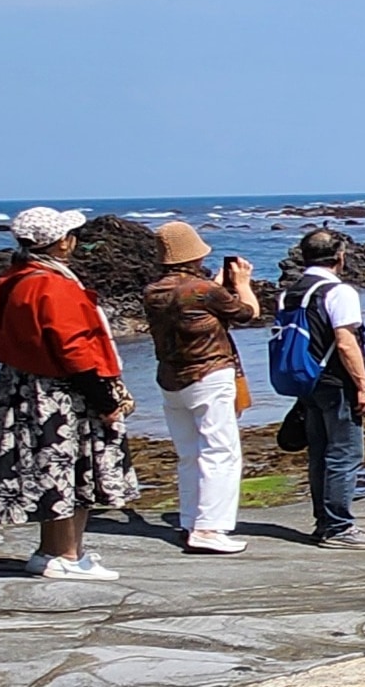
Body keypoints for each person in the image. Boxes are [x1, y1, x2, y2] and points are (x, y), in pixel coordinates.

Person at [0, 207, 141, 578]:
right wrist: (104, 398)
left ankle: (51, 551)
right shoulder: (53, 285)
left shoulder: (13, 280)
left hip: (23, 386)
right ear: (62, 243)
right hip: (60, 391)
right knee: (75, 469)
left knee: (47, 471)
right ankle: (67, 554)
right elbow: (73, 347)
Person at [142, 222, 259, 555]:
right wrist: (243, 284)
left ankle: (191, 520)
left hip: (170, 379)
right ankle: (209, 529)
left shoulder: (153, 293)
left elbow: (190, 301)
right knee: (220, 452)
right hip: (209, 375)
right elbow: (247, 313)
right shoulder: (204, 291)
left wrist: (216, 286)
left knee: (189, 454)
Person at [281, 228, 365, 549]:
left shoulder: (290, 292)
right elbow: (346, 342)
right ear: (340, 256)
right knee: (345, 452)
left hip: (307, 379)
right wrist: (363, 387)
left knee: (320, 453)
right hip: (337, 381)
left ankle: (324, 522)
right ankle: (338, 526)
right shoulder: (339, 292)